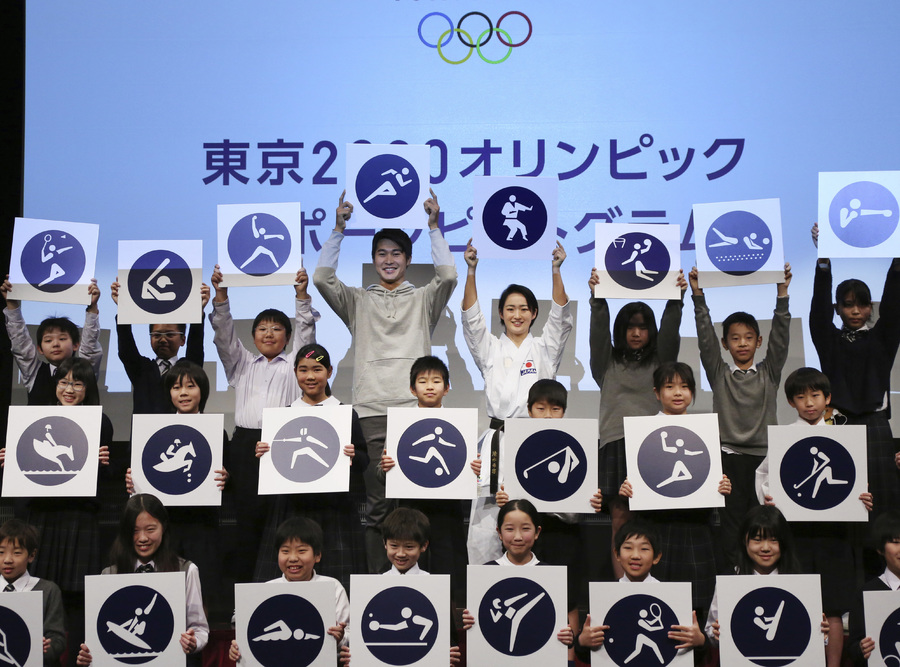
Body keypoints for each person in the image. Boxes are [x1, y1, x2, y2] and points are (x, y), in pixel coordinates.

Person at [313, 189, 457, 572]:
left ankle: (417, 585)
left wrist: (433, 228)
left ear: (408, 261)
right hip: (372, 411)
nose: (389, 260)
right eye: (382, 253)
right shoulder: (358, 300)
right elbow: (323, 278)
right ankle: (376, 586)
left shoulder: (424, 299)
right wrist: (339, 229)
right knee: (377, 508)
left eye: (396, 253)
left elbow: (448, 275)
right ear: (374, 260)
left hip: (415, 413)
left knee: (413, 509)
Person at [461, 239, 573, 565]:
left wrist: (556, 269)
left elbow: (562, 316)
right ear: (501, 313)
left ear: (534, 313)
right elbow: (471, 320)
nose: (517, 314)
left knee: (528, 518)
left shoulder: (544, 348)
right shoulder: (490, 348)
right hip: (497, 442)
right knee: (487, 522)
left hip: (536, 439)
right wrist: (471, 270)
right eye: (510, 308)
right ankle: (482, 590)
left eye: (524, 308)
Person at [755, 366, 873, 667]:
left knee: (833, 608)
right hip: (796, 534)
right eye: (801, 397)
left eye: (816, 396)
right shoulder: (786, 437)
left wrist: (863, 498)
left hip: (835, 534)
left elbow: (853, 482)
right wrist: (768, 498)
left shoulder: (842, 437)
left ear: (828, 398)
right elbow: (764, 474)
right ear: (791, 402)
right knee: (797, 600)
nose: (809, 403)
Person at [0, 357, 113, 663]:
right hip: (44, 517)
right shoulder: (36, 420)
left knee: (76, 600)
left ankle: (75, 657)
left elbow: (102, 478)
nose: (69, 389)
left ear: (87, 388)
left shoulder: (100, 422)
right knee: (39, 593)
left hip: (80, 519)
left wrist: (105, 463)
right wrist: (12, 461)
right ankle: (35, 657)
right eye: (64, 381)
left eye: (77, 383)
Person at [209, 265, 318, 577]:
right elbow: (223, 335)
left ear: (287, 336)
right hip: (244, 445)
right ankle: (244, 596)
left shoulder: (296, 363)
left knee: (282, 523)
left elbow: (306, 331)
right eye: (262, 329)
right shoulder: (241, 363)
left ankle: (282, 584)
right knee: (247, 524)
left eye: (276, 328)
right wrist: (221, 296)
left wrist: (300, 296)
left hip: (282, 442)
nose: (269, 333)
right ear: (253, 335)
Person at [689, 263, 792, 569]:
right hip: (729, 457)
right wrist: (698, 295)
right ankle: (736, 580)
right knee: (732, 526)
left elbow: (781, 337)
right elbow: (704, 337)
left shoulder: (769, 373)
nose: (743, 343)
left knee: (765, 524)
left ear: (758, 342)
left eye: (749, 337)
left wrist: (782, 292)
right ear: (726, 344)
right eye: (735, 338)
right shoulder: (719, 372)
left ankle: (765, 576)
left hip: (764, 458)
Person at [588, 268, 686, 578]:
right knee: (620, 519)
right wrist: (597, 297)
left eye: (643, 328)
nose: (636, 333)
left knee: (656, 520)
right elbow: (598, 333)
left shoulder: (661, 361)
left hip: (653, 444)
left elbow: (671, 332)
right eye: (630, 327)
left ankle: (655, 584)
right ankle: (621, 588)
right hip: (616, 443)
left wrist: (676, 298)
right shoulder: (607, 363)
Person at [618, 362, 731, 616]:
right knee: (655, 599)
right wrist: (626, 489)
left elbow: (711, 479)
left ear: (692, 393)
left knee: (695, 601)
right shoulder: (640, 432)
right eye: (670, 387)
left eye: (684, 387)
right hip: (654, 527)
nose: (678, 393)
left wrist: (723, 486)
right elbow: (636, 478)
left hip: (695, 528)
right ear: (657, 393)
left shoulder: (707, 433)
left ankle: (697, 651)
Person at [253, 343, 368, 589]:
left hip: (335, 509)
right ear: (295, 373)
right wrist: (264, 453)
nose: (310, 376)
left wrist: (353, 455)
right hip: (293, 507)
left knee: (339, 577)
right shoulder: (284, 415)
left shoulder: (344, 414)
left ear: (329, 371)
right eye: (303, 370)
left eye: (317, 369)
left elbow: (364, 460)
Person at [809, 225, 900, 520]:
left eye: (862, 304)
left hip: (875, 424)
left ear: (871, 308)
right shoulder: (828, 340)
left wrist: (897, 263)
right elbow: (818, 312)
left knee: (882, 499)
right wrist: (823, 263)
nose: (856, 310)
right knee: (843, 498)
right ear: (838, 309)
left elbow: (894, 305)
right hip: (839, 422)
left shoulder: (883, 338)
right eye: (848, 305)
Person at [125, 360, 229, 611]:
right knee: (163, 591)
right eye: (175, 387)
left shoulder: (218, 432)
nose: (183, 393)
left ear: (202, 391)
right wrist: (132, 481)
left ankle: (198, 642)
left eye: (190, 386)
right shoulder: (154, 429)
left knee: (201, 589)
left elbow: (229, 482)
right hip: (166, 523)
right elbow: (142, 476)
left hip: (202, 523)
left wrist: (227, 478)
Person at [76, 493, 210, 666]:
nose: (142, 538)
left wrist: (193, 642)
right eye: (134, 531)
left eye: (150, 529)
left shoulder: (187, 570)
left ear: (164, 527)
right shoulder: (108, 575)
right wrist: (90, 656)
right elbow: (102, 636)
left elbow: (199, 628)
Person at [379, 356, 468, 598]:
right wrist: (385, 467)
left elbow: (467, 470)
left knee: (448, 577)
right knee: (410, 576)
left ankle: (447, 632)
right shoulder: (400, 424)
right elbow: (382, 473)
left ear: (447, 388)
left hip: (447, 513)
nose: (430, 386)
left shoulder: (462, 424)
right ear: (412, 388)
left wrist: (474, 470)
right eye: (423, 381)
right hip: (410, 510)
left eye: (437, 381)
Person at [339, 507, 468, 666]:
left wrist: (448, 653)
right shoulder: (373, 587)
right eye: (394, 546)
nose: (400, 553)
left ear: (424, 545)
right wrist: (353, 655)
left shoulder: (434, 586)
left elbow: (449, 636)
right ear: (384, 544)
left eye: (409, 547)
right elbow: (362, 635)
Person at [576, 520, 706, 660]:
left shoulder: (673, 597)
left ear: (656, 557)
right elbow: (590, 656)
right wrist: (582, 642)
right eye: (628, 548)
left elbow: (692, 656)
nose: (635, 555)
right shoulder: (603, 597)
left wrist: (700, 642)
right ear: (617, 554)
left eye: (644, 549)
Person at [228, 517, 348, 663]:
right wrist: (238, 647)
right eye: (285, 551)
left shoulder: (332, 587)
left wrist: (340, 637)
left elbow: (349, 635)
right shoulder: (265, 590)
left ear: (317, 555)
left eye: (301, 551)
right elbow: (245, 629)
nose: (292, 558)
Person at [704, 505, 828, 645]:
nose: (765, 548)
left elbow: (809, 637)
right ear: (744, 541)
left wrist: (821, 635)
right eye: (757, 540)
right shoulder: (729, 580)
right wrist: (715, 634)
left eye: (774, 540)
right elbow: (711, 632)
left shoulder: (799, 581)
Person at [482, 499, 575, 650]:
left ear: (537, 532)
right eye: (510, 529)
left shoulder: (550, 576)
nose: (517, 537)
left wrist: (568, 636)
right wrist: (472, 621)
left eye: (525, 529)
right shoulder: (486, 572)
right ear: (499, 532)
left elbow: (561, 628)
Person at [110, 278, 209, 413]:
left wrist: (198, 311)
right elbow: (126, 349)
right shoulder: (141, 369)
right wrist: (123, 309)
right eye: (156, 335)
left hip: (182, 432)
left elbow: (196, 345)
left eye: (169, 334)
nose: (162, 340)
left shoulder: (189, 367)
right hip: (145, 433)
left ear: (182, 340)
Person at [1, 274, 102, 405]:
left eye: (62, 338)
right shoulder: (34, 372)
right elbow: (21, 343)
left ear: (76, 345)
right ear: (40, 349)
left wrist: (92, 307)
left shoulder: (85, 370)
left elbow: (89, 348)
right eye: (48, 340)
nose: (55, 344)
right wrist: (11, 304)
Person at [0, 519, 66, 666]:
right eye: (1, 552)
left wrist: (42, 649)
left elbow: (58, 639)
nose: (7, 560)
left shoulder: (48, 590)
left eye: (17, 553)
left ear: (31, 555)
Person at [848, 510, 900, 665]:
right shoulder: (866, 593)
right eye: (896, 542)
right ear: (880, 549)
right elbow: (852, 647)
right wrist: (861, 648)